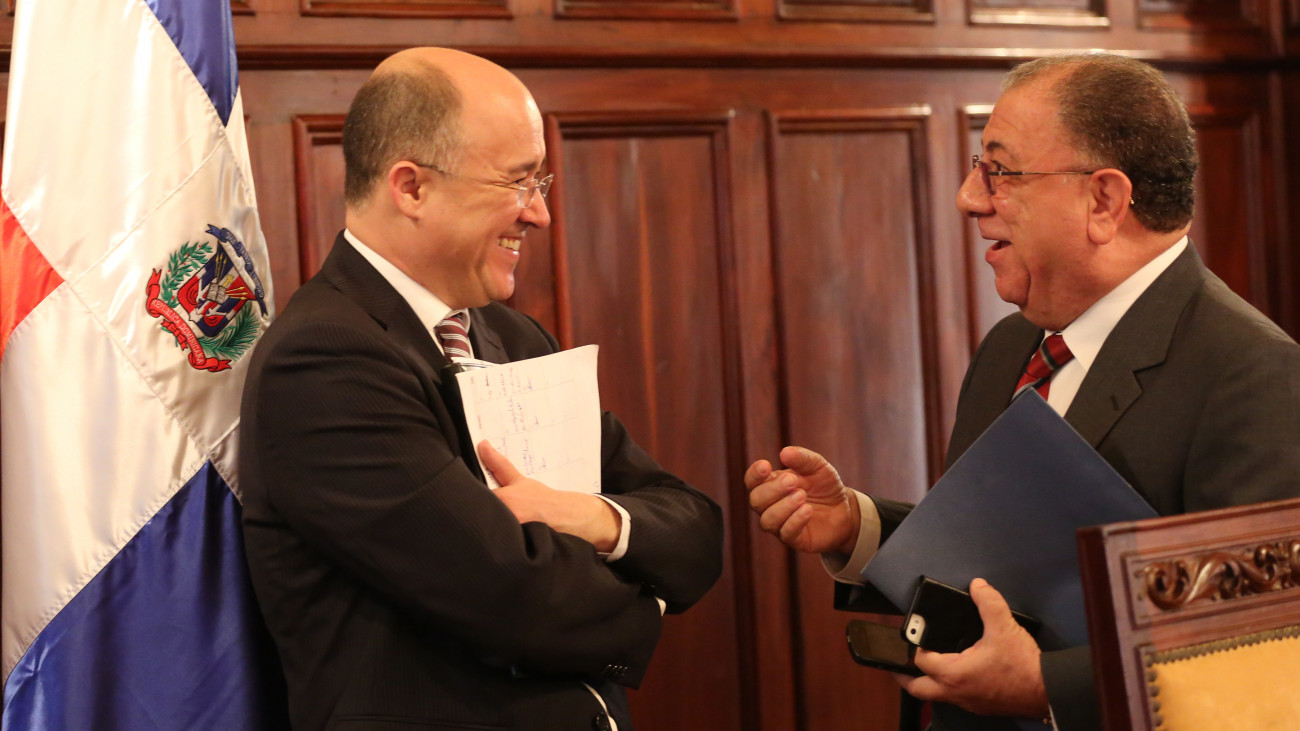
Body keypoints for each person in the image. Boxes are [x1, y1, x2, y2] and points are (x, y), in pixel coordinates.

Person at [746, 52, 1300, 731]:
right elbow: (1008, 555)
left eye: (1000, 172)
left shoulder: (1253, 374)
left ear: (1103, 201)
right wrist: (858, 527)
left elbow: (1259, 648)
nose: (969, 197)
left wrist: (1047, 688)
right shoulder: (1011, 344)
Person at [239, 47, 724, 731]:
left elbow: (697, 530)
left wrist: (592, 519)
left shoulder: (514, 337)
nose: (540, 214)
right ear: (411, 188)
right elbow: (517, 597)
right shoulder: (322, 360)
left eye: (539, 183)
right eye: (518, 182)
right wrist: (650, 591)